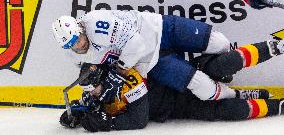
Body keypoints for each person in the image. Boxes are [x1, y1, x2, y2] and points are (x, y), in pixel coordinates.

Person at [52, 9, 284, 102]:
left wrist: (119, 70)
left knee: (221, 43)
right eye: (72, 45)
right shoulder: (73, 55)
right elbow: (87, 77)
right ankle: (238, 95)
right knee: (204, 89)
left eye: (78, 39)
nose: (79, 46)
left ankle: (213, 66)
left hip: (159, 28)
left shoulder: (97, 24)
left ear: (80, 27)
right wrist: (91, 95)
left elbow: (137, 42)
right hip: (150, 63)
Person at [59, 63, 284, 132]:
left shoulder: (128, 82)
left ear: (103, 81)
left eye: (93, 89)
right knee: (218, 101)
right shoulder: (103, 85)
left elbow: (139, 120)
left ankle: (276, 106)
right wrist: (73, 116)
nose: (92, 94)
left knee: (217, 110)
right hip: (168, 96)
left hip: (176, 99)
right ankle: (245, 94)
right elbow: (87, 106)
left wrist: (106, 124)